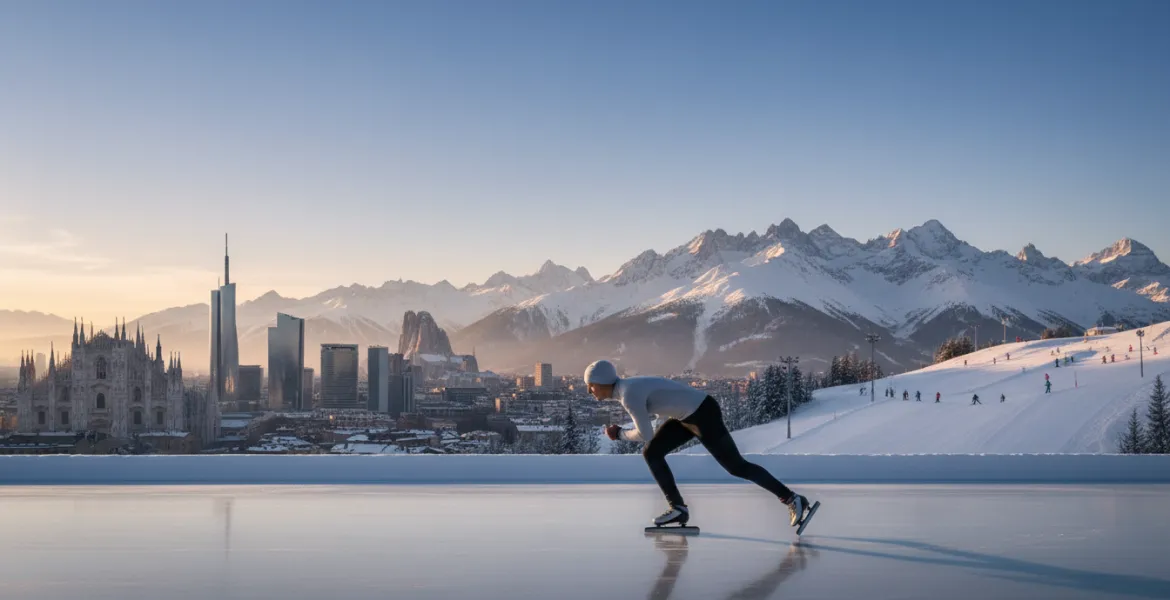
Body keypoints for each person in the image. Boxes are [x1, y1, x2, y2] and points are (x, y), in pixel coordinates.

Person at [584, 359, 813, 529]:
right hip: (687, 416)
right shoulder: (628, 387)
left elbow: (645, 433)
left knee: (737, 467)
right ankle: (678, 509)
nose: (589, 390)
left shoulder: (628, 395)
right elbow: (663, 405)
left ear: (601, 382)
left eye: (590, 385)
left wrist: (620, 434)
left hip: (703, 415)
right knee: (652, 453)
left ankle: (792, 499)